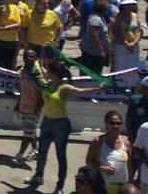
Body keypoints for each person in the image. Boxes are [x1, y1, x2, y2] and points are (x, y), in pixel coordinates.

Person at [28, 61, 103, 194]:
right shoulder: (48, 84)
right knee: (42, 151)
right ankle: (38, 176)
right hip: (47, 122)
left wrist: (98, 89)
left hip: (60, 125)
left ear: (55, 73)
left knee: (60, 155)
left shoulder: (64, 88)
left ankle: (60, 186)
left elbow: (80, 91)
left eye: (49, 72)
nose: (47, 73)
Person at [87, 110, 132, 194]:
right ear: (106, 124)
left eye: (118, 123)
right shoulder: (98, 141)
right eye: (111, 123)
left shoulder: (126, 143)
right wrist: (100, 167)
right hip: (103, 187)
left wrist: (130, 183)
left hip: (122, 188)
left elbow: (129, 165)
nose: (115, 126)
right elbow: (88, 161)